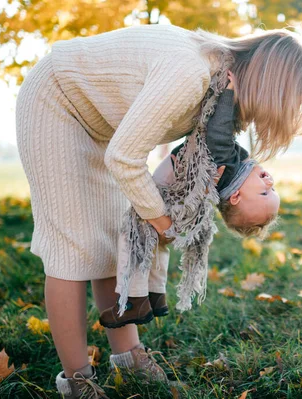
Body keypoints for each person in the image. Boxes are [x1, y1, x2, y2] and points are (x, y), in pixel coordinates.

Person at [15, 23, 302, 398]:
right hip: (58, 101)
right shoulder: (190, 73)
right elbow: (125, 158)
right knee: (72, 245)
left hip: (103, 125)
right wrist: (161, 221)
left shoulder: (219, 90)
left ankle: (128, 357)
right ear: (272, 84)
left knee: (116, 239)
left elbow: (187, 159)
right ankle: (76, 380)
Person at [99, 80, 280, 330]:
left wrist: (228, 93)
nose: (270, 181)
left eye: (264, 192)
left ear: (236, 196)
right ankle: (156, 294)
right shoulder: (239, 167)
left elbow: (219, 132)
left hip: (166, 188)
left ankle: (133, 299)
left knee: (134, 235)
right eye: (273, 188)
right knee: (157, 240)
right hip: (174, 194)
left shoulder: (224, 162)